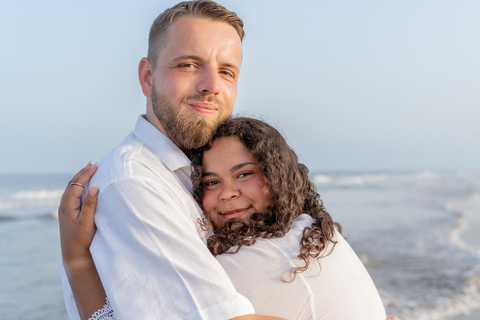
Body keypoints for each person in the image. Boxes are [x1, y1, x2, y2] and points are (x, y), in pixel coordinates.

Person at [60, 1, 284, 319]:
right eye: (189, 65)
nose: (212, 85)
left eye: (227, 72)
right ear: (148, 78)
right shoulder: (132, 183)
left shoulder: (210, 173)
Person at [61, 117, 395, 319]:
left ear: (277, 176)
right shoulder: (311, 231)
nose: (227, 193)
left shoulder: (256, 261)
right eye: (211, 182)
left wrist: (76, 259)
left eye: (244, 173)